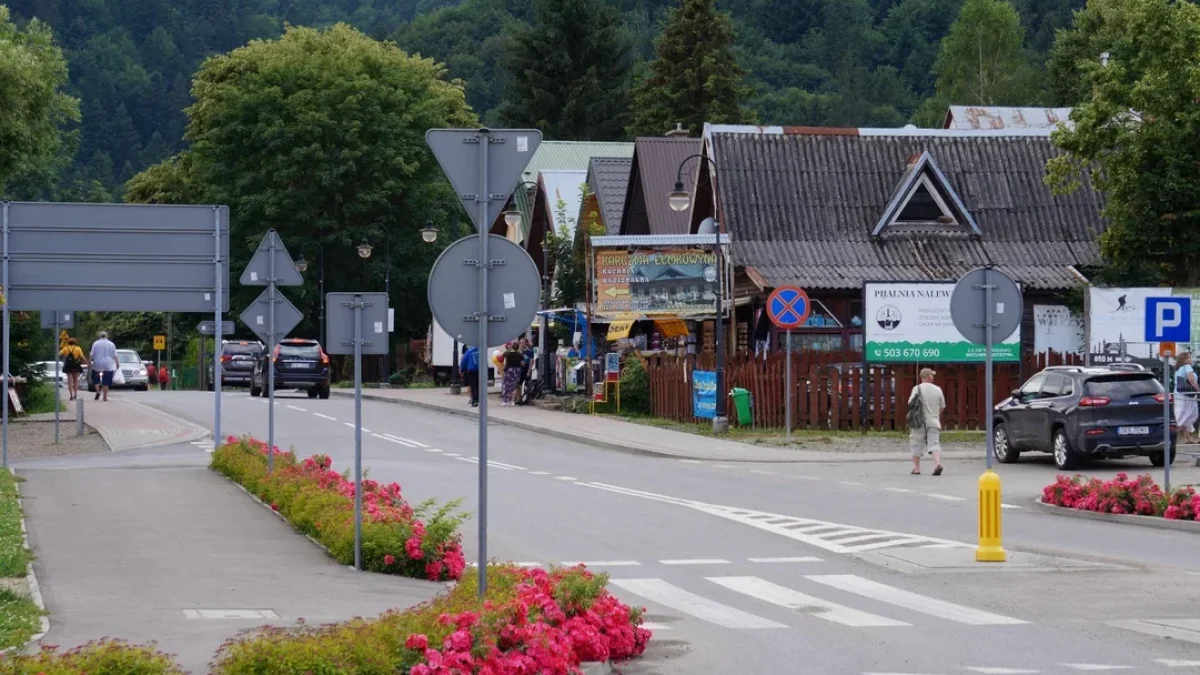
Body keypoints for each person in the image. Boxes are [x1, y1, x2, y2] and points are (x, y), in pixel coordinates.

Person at [908, 367, 946, 475]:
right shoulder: (938, 389)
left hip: (919, 421)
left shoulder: (917, 388)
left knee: (916, 443)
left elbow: (910, 403)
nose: (933, 376)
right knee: (934, 443)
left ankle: (916, 468)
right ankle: (937, 463)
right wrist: (935, 414)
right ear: (928, 377)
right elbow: (942, 406)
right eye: (932, 375)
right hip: (934, 421)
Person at [1174, 352, 1199, 444]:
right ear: (1185, 359)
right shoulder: (1187, 367)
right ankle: (1169, 435)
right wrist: (1198, 390)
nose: (1191, 359)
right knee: (1189, 415)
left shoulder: (1179, 369)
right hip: (1187, 395)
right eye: (1189, 357)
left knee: (1184, 416)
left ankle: (1187, 438)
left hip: (1180, 394)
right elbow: (1192, 380)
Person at [89, 331, 118, 402]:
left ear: (100, 336)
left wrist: (89, 362)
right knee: (106, 381)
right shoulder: (111, 344)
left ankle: (98, 391)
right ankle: (105, 397)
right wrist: (117, 363)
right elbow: (115, 355)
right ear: (107, 336)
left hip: (97, 363)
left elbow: (91, 354)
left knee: (96, 378)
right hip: (108, 364)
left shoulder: (96, 343)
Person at [58, 337, 89, 401]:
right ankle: (75, 394)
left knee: (70, 381)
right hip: (76, 365)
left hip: (68, 366)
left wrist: (64, 357)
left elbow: (59, 354)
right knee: (76, 381)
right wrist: (87, 363)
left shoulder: (65, 348)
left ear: (68, 343)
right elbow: (82, 357)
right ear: (75, 342)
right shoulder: (78, 348)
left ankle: (71, 395)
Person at [501, 342, 523, 406]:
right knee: (514, 385)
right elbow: (522, 363)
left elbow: (503, 355)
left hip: (509, 370)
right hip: (517, 370)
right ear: (518, 347)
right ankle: (512, 401)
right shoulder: (520, 354)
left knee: (506, 385)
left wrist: (509, 349)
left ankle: (505, 401)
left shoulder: (507, 353)